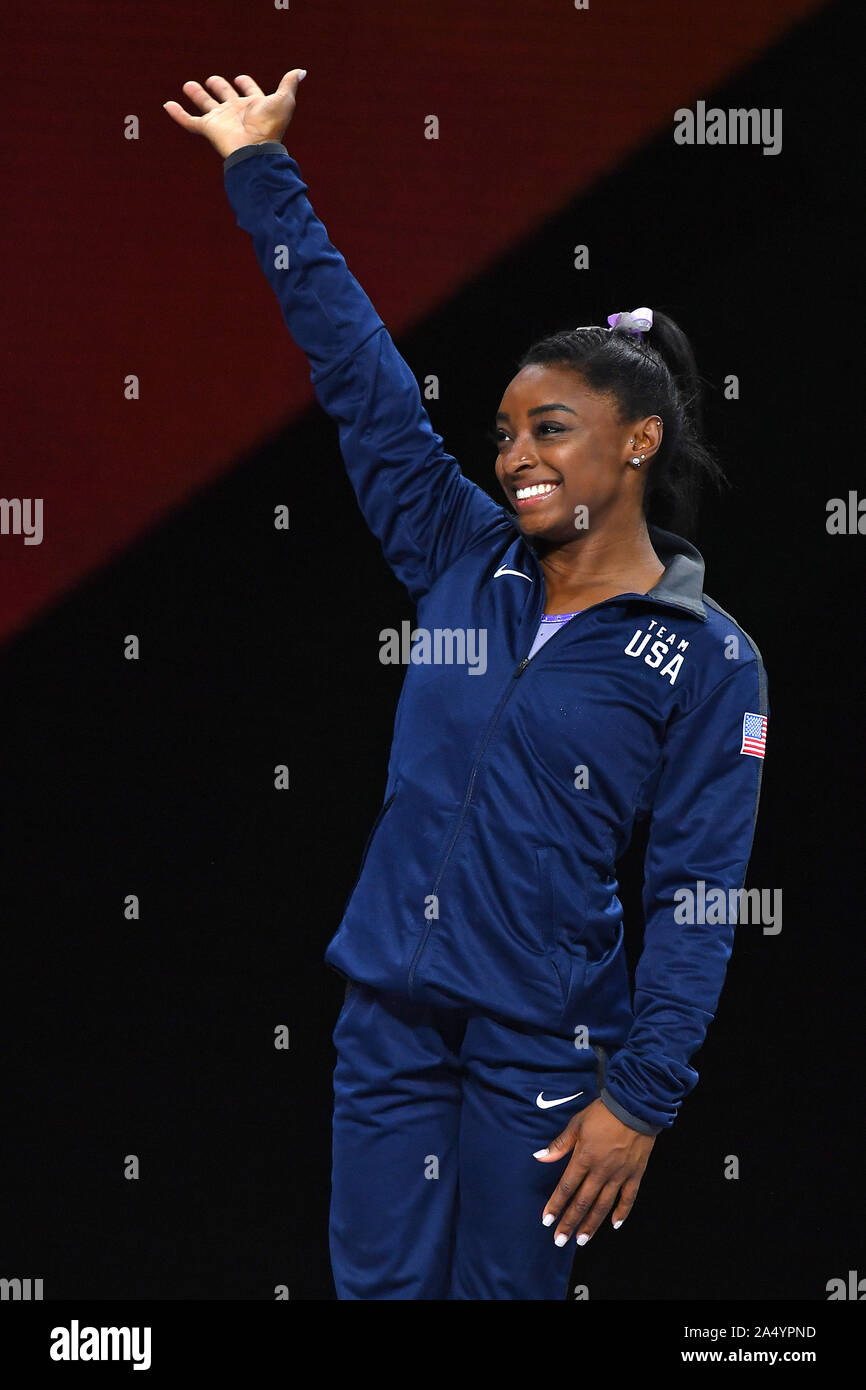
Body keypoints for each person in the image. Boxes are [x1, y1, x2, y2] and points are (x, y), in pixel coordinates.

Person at [164, 69, 769, 1301]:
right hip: (386, 1013)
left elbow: (697, 896)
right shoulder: (458, 551)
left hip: (540, 1043)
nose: (514, 457)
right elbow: (363, 382)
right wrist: (257, 170)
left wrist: (641, 1099)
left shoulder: (708, 656)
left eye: (549, 428)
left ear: (636, 441)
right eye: (502, 432)